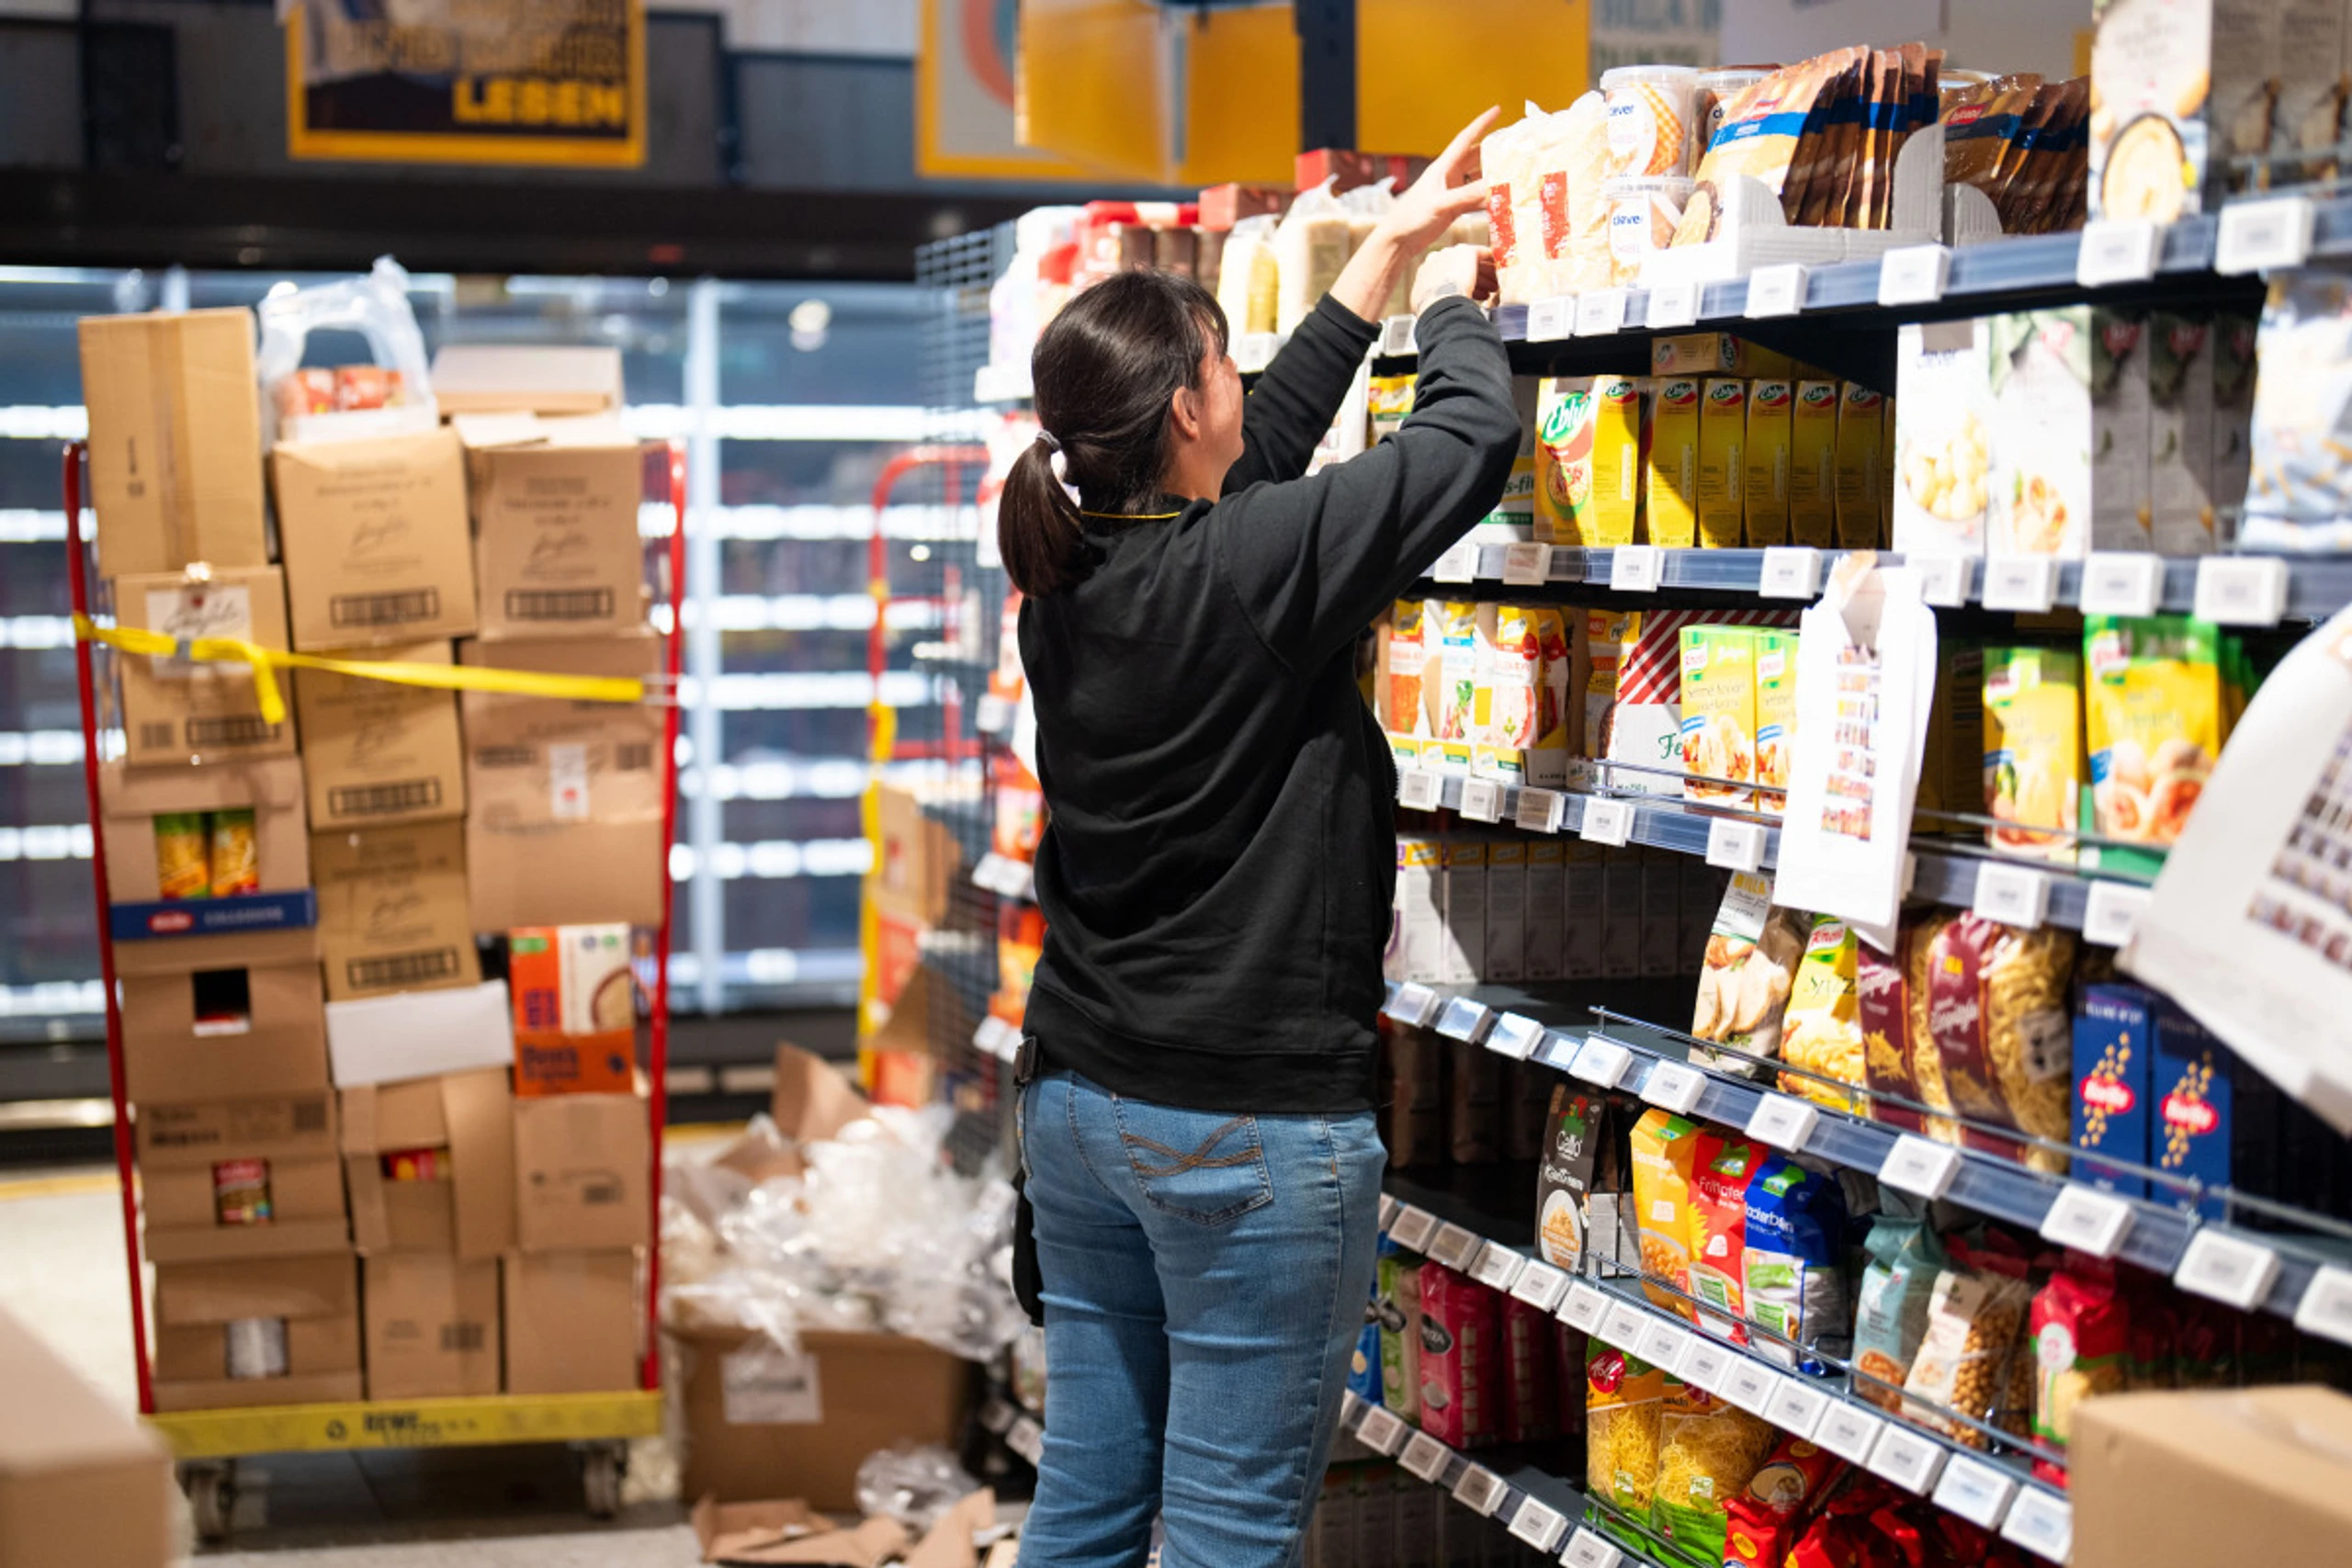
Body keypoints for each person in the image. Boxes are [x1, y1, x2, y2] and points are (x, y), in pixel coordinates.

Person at [998, 107, 1522, 1568]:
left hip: (1083, 1099)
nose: (1241, 388)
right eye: (1225, 365)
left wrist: (1379, 259)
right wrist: (1451, 307)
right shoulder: (1246, 567)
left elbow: (1260, 454)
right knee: (1229, 1531)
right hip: (1240, 1126)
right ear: (1184, 410)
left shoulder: (1073, 576)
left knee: (1086, 1508)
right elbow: (1468, 443)